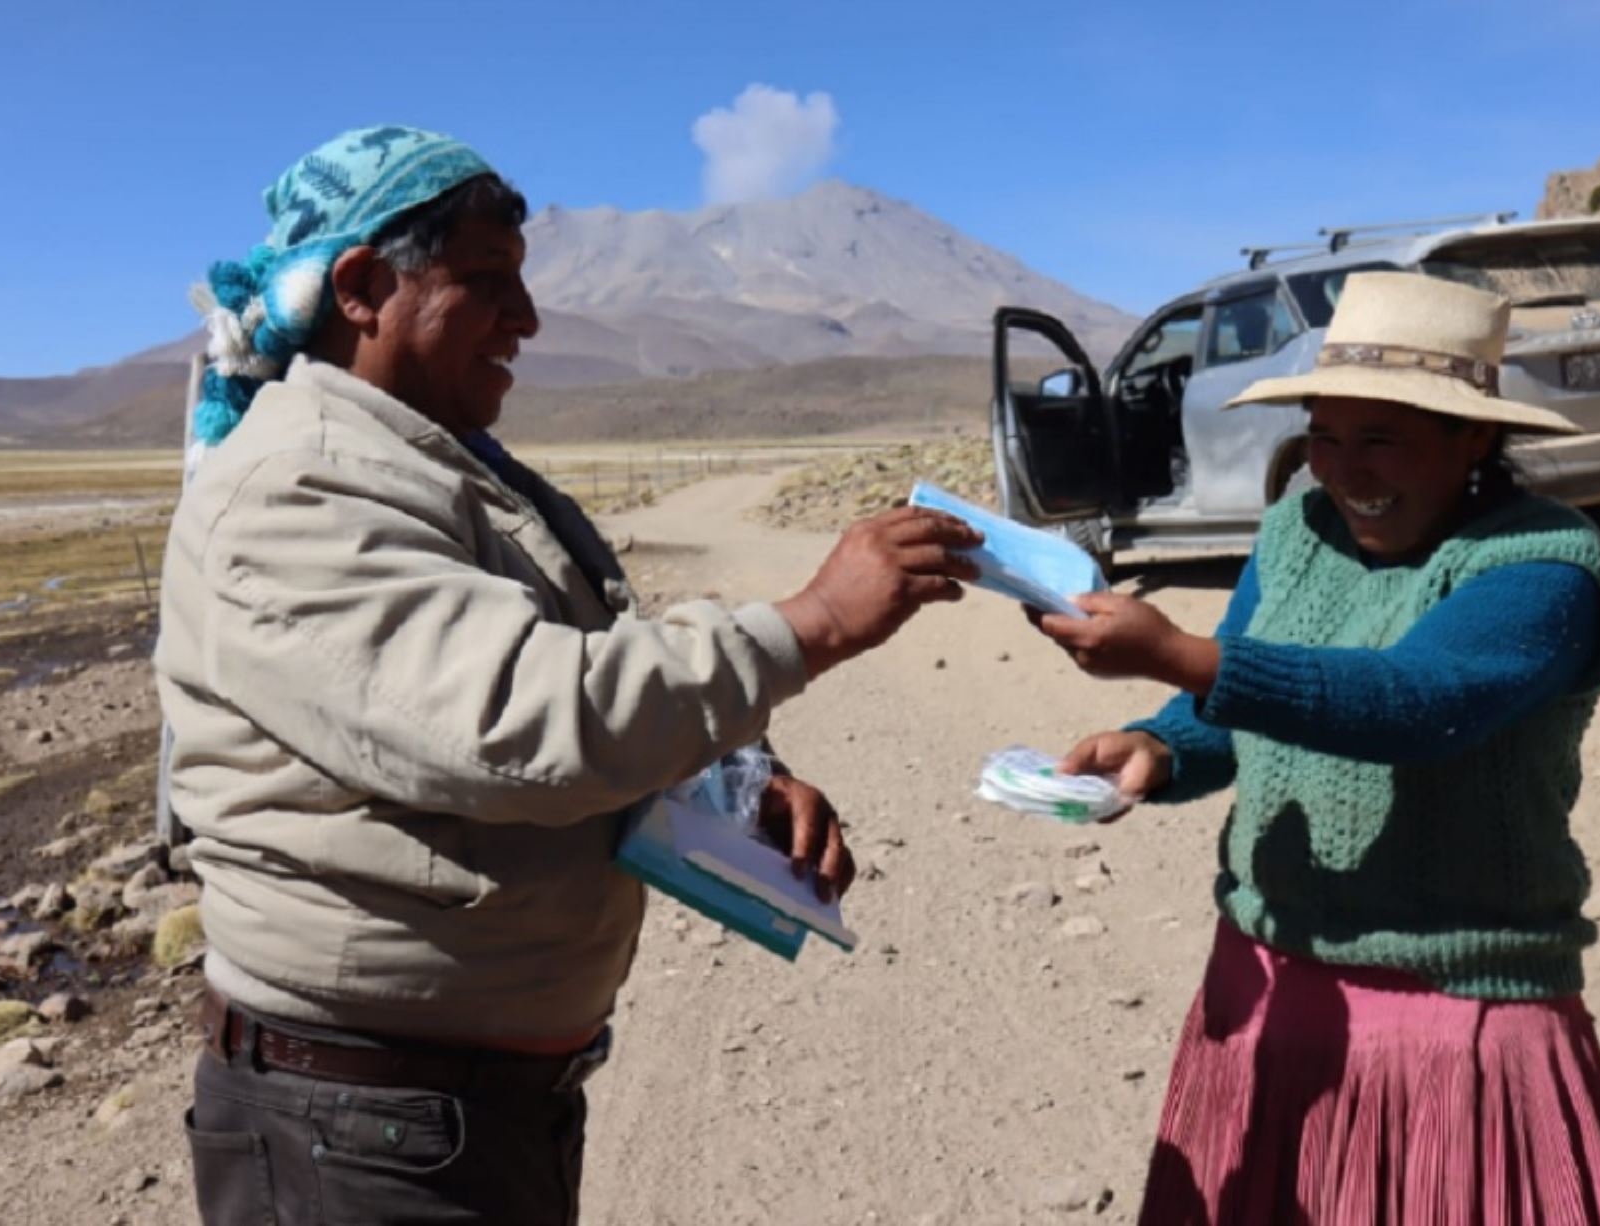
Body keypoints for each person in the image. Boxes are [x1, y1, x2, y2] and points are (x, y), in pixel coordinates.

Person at [153, 126, 980, 1226]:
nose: (529, 321)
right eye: (488, 284)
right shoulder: (296, 488)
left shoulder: (434, 459)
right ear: (361, 287)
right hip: (353, 1133)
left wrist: (729, 777)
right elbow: (512, 721)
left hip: (447, 1116)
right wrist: (812, 620)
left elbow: (565, 657)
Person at [1029, 272, 1600, 1224]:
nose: (1345, 471)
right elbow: (1235, 702)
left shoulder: (1543, 567)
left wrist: (1180, 652)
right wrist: (1159, 749)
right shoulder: (1297, 530)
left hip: (1450, 1019)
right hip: (1266, 984)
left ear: (1474, 436)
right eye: (1323, 434)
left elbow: (1414, 701)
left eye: (1381, 439)